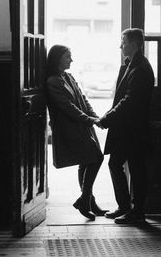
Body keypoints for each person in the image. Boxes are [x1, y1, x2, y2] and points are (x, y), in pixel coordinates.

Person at [97, 28, 155, 224]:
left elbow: (128, 101)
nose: (120, 46)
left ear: (135, 43)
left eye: (123, 42)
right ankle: (125, 207)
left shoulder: (141, 69)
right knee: (117, 164)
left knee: (136, 169)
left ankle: (137, 211)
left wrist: (106, 119)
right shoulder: (133, 65)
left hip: (134, 130)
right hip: (127, 129)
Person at [45, 45, 108, 221]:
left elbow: (83, 100)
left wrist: (95, 117)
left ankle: (88, 201)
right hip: (69, 128)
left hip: (82, 125)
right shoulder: (52, 81)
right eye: (67, 57)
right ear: (58, 59)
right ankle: (85, 200)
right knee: (96, 158)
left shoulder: (68, 77)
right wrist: (91, 121)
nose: (71, 60)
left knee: (87, 160)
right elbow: (68, 107)